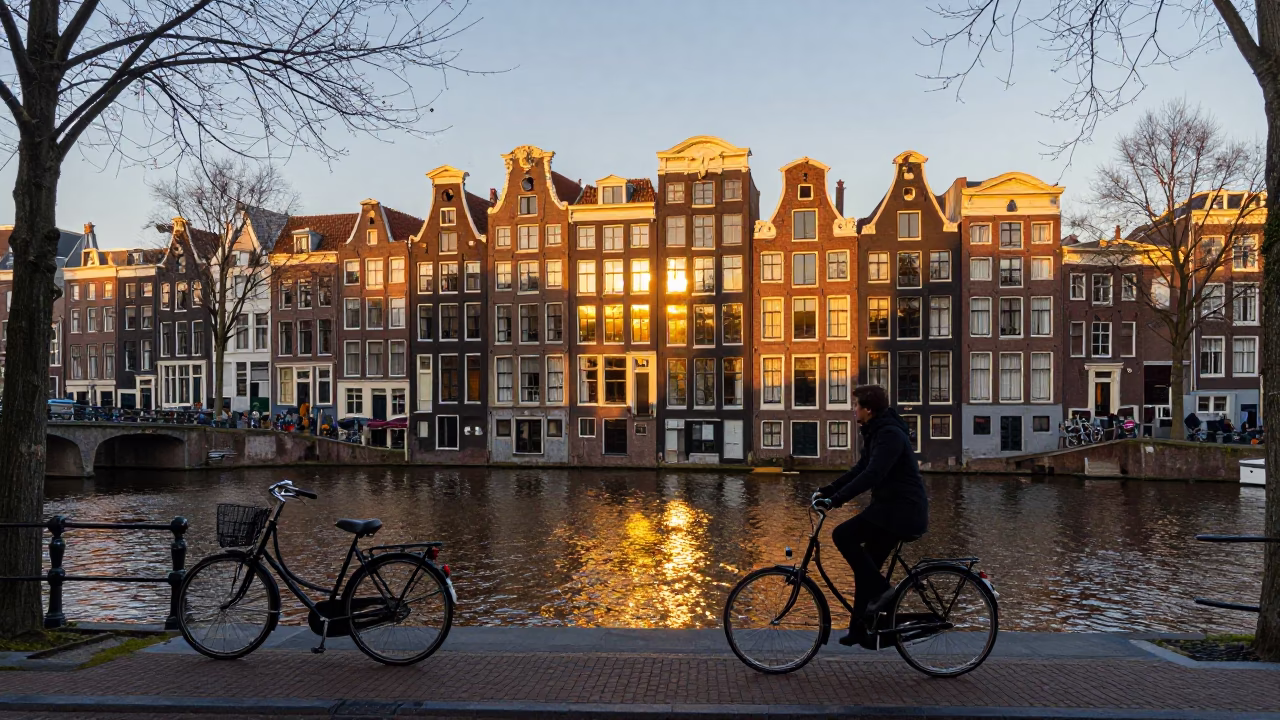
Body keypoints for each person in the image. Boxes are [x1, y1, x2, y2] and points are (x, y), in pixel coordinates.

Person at [815, 385, 929, 649]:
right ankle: (859, 629)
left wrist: (836, 501)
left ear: (868, 409)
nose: (853, 409)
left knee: (842, 535)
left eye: (856, 405)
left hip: (901, 512)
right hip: (890, 510)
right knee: (865, 569)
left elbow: (872, 475)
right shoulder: (878, 431)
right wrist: (828, 490)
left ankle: (884, 594)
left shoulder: (889, 434)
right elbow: (861, 468)